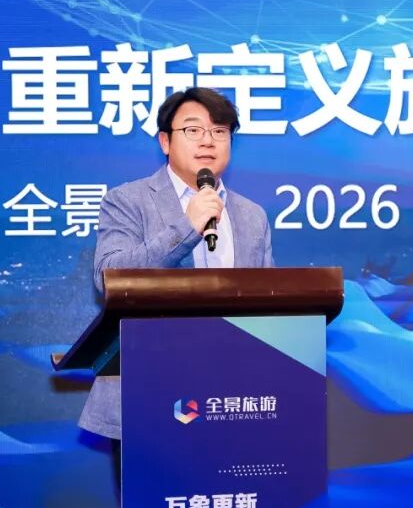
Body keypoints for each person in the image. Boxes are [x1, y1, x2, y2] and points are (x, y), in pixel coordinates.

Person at [78, 87, 274, 439]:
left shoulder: (252, 215)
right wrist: (188, 226)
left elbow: (271, 306)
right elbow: (110, 277)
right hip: (147, 396)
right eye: (193, 130)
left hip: (230, 398)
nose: (208, 141)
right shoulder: (127, 200)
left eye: (219, 131)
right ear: (165, 141)